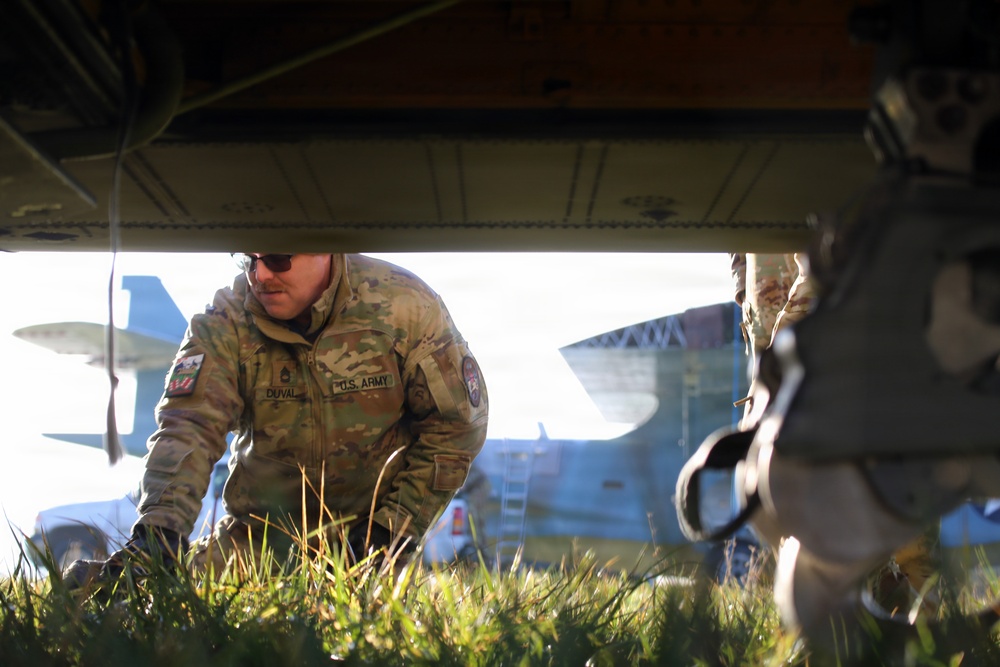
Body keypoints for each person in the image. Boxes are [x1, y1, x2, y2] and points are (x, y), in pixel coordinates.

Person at [68, 252, 488, 582]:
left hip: (373, 545)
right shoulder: (226, 319)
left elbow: (456, 426)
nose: (261, 275)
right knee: (147, 609)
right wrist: (159, 535)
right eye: (248, 260)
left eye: (279, 259)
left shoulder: (403, 306)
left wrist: (390, 535)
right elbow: (189, 426)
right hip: (258, 538)